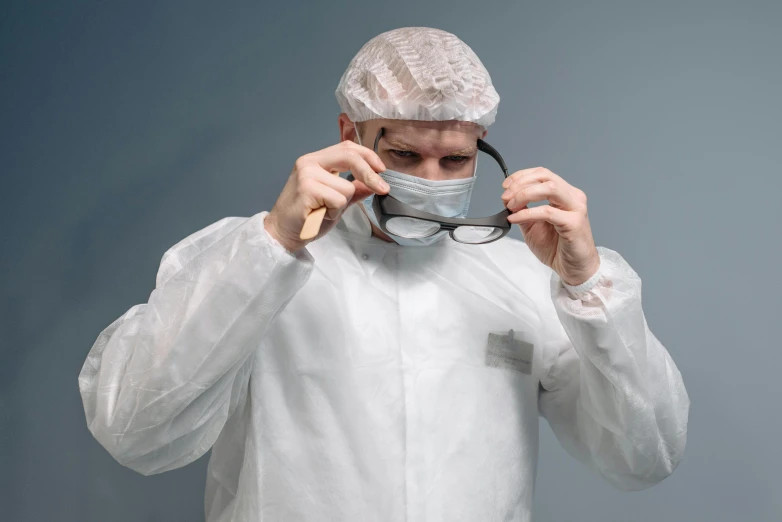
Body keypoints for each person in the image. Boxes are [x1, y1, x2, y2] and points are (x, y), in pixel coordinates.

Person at [78, 27, 689, 522]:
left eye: (456, 159)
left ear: (483, 144)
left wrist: (587, 286)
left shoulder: (525, 278)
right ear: (350, 133)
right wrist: (271, 247)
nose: (432, 177)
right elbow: (134, 429)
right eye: (403, 155)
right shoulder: (253, 262)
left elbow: (645, 455)